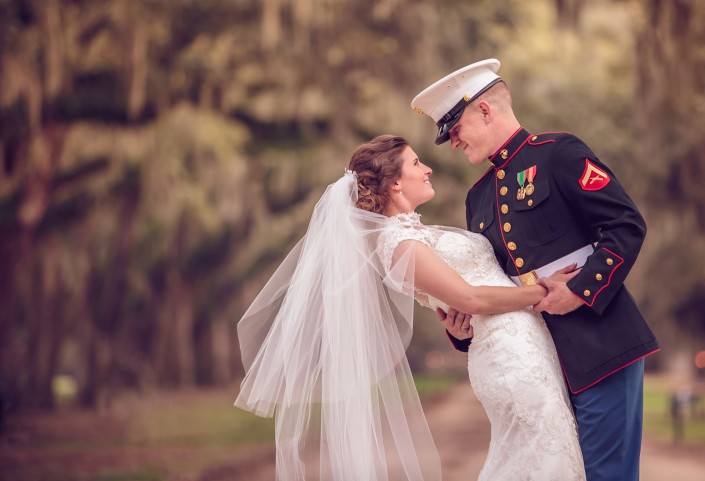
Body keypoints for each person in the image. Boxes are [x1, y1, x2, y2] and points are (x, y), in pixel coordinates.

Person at [235, 134, 586, 480]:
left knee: (542, 452)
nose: (428, 169)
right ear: (395, 185)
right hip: (508, 358)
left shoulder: (416, 234)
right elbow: (471, 298)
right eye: (417, 163)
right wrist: (543, 290)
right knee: (542, 455)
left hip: (524, 345)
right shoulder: (399, 244)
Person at [411, 58, 660, 481]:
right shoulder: (478, 198)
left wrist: (581, 288)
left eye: (455, 130)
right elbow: (493, 281)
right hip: (537, 367)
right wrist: (462, 331)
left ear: (485, 110)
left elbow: (625, 226)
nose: (452, 142)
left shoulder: (558, 154)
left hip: (600, 345)